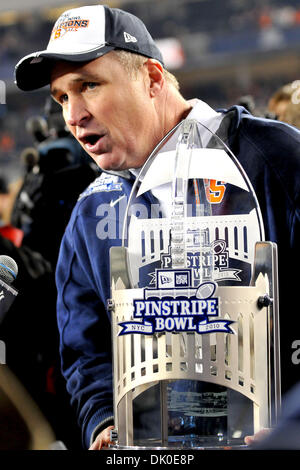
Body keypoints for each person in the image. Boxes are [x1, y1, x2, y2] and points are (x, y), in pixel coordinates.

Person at [15, 5, 300, 450]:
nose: (74, 115)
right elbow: (86, 352)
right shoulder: (91, 214)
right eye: (62, 98)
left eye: (88, 86)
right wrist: (105, 426)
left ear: (151, 79)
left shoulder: (275, 158)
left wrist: (289, 430)